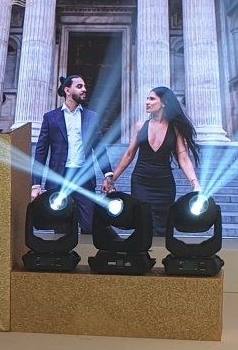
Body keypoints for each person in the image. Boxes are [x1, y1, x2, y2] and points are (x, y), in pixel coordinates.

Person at [103, 86, 200, 239]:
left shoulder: (175, 128)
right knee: (143, 221)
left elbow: (183, 157)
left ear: (164, 102)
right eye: (147, 98)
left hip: (164, 185)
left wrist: (195, 183)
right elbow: (129, 154)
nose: (147, 102)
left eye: (152, 99)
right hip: (141, 181)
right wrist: (112, 179)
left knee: (162, 227)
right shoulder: (140, 125)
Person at [32, 74, 98, 197]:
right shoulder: (50, 117)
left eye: (84, 86)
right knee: (58, 210)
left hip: (85, 179)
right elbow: (41, 151)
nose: (84, 89)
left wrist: (108, 175)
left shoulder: (92, 117)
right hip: (58, 179)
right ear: (67, 90)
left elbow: (100, 147)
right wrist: (36, 184)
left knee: (87, 210)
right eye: (79, 86)